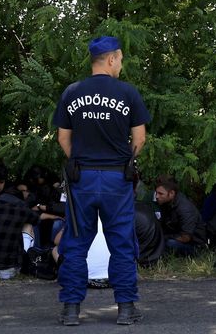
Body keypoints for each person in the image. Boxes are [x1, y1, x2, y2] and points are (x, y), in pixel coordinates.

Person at [52, 35, 150, 326]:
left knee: (75, 242)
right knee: (121, 242)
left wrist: (80, 160)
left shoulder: (72, 92)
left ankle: (71, 310)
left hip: (81, 178)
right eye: (120, 59)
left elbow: (62, 138)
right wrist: (126, 162)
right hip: (116, 179)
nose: (121, 64)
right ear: (111, 59)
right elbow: (140, 138)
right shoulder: (128, 93)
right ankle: (126, 308)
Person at [0, 187, 58, 280]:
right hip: (9, 271)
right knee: (28, 224)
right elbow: (36, 219)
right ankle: (32, 255)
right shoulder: (20, 211)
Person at [154, 174, 206, 256]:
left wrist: (163, 238)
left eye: (160, 194)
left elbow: (185, 238)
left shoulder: (185, 209)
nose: (157, 196)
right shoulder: (166, 202)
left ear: (171, 193)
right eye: (156, 193)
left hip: (194, 245)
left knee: (169, 243)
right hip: (175, 236)